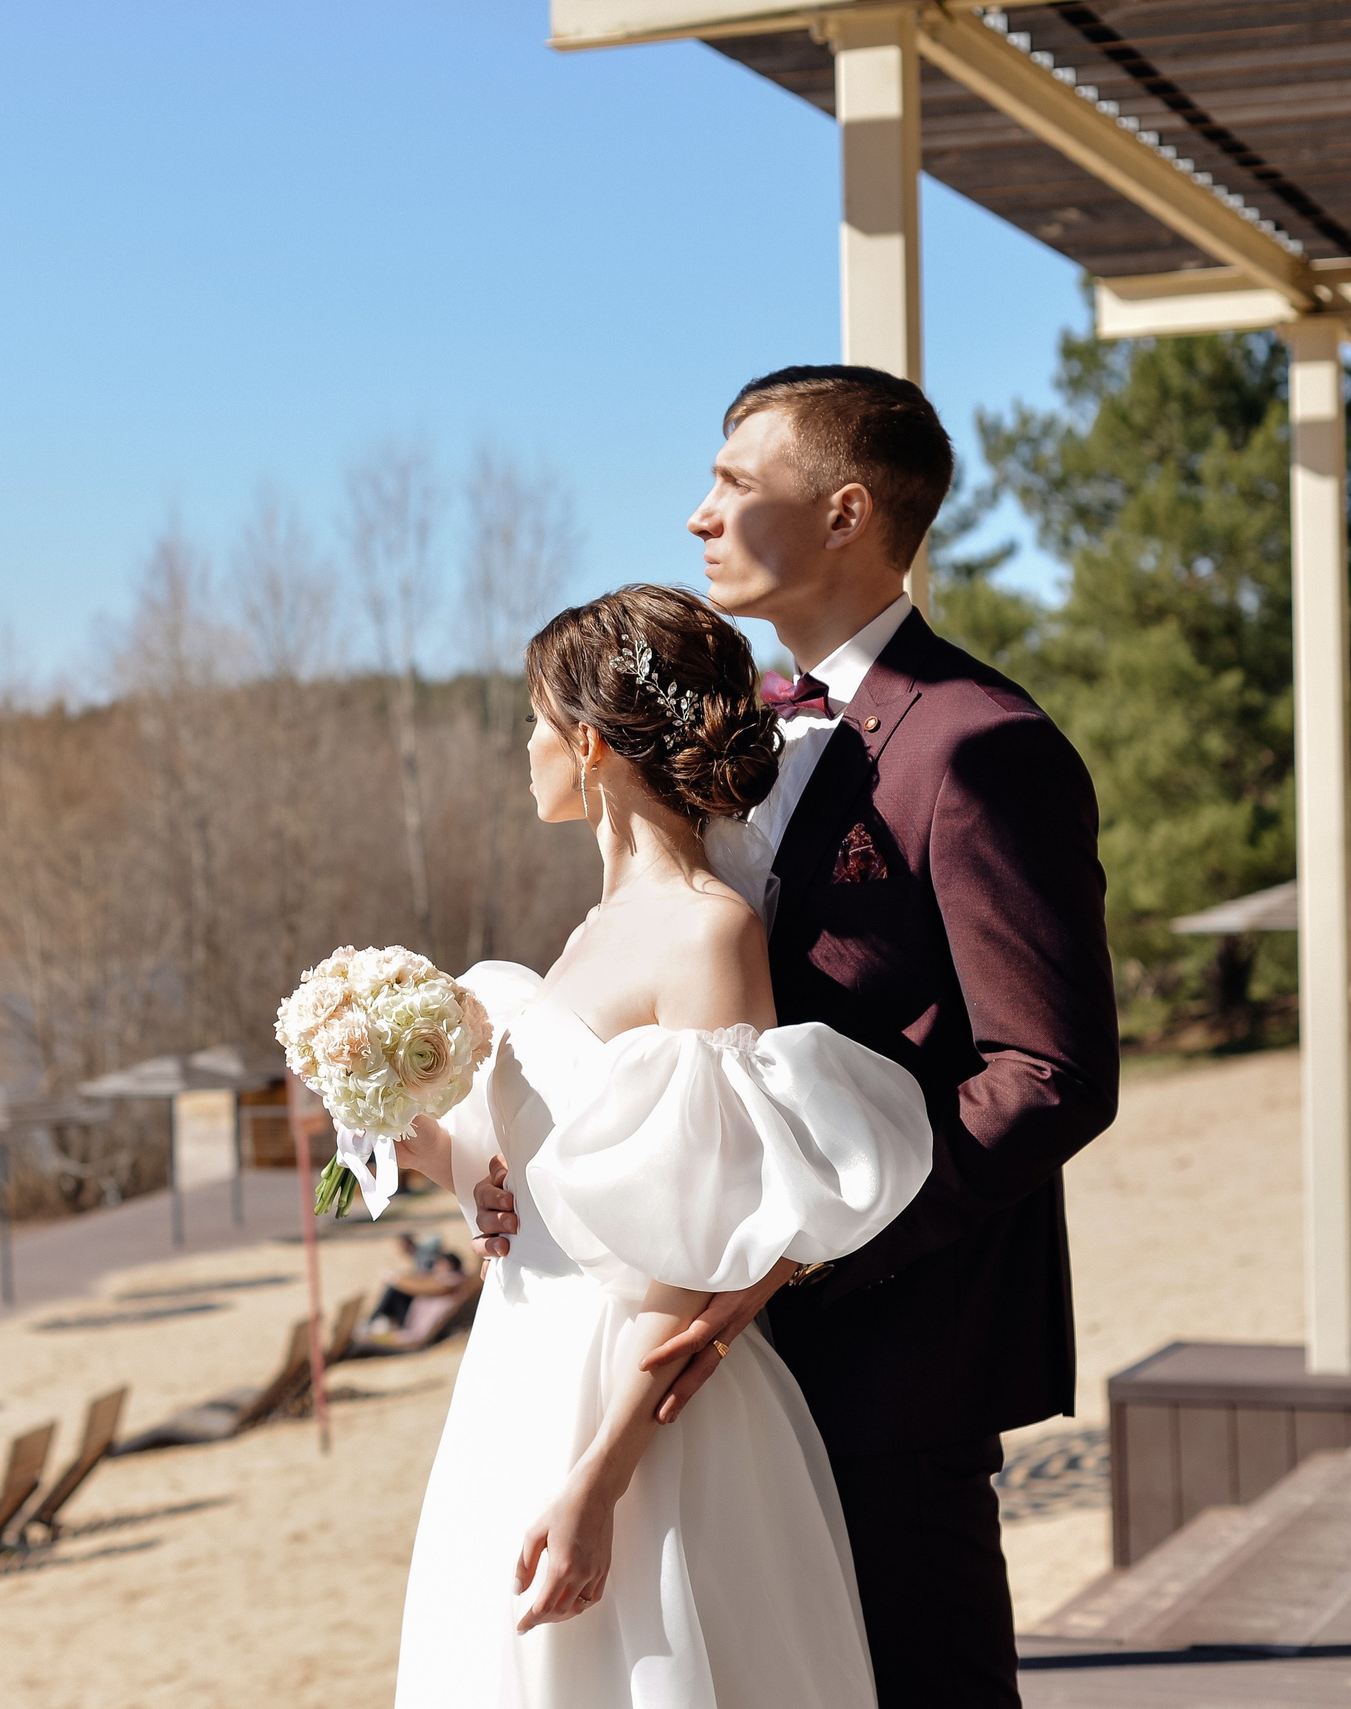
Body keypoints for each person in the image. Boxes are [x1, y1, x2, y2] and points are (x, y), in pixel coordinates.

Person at [470, 367, 1121, 1707]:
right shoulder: (737, 740)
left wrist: (802, 1250)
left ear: (843, 513)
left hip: (894, 1360)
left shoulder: (979, 747)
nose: (697, 514)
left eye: (732, 482)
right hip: (707, 1383)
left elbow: (1048, 1073)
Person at [392, 582, 936, 1707]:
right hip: (515, 1368)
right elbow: (548, 1179)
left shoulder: (707, 931)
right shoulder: (591, 931)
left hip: (631, 1402)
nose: (524, 747)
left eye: (536, 722)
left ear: (590, 744)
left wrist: (600, 1479)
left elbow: (694, 1247)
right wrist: (409, 1132)